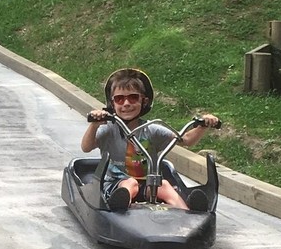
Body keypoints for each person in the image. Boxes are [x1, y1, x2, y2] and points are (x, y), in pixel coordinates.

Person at [81, 67, 221, 212]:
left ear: (144, 101)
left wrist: (202, 126)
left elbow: (186, 140)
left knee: (164, 185)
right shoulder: (109, 129)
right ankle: (119, 207)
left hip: (148, 185)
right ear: (112, 104)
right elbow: (86, 147)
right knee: (130, 183)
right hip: (115, 185)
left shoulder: (152, 129)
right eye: (119, 99)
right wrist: (94, 125)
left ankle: (189, 213)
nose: (126, 103)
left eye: (133, 97)